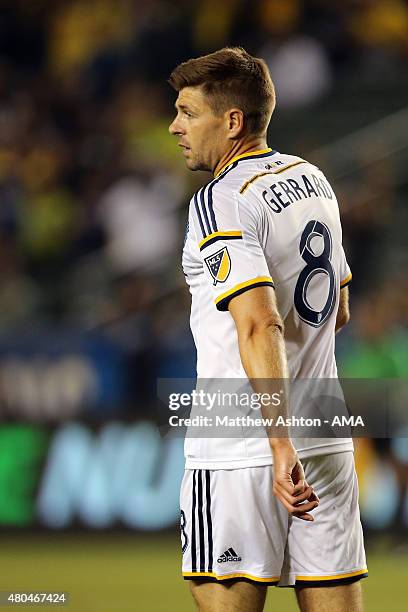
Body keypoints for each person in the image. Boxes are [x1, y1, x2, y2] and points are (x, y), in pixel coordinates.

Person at [168, 47, 367, 612]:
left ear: (231, 121)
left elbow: (259, 323)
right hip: (324, 427)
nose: (174, 126)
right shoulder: (314, 180)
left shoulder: (221, 198)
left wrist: (278, 445)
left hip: (244, 440)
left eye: (187, 112)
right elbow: (340, 309)